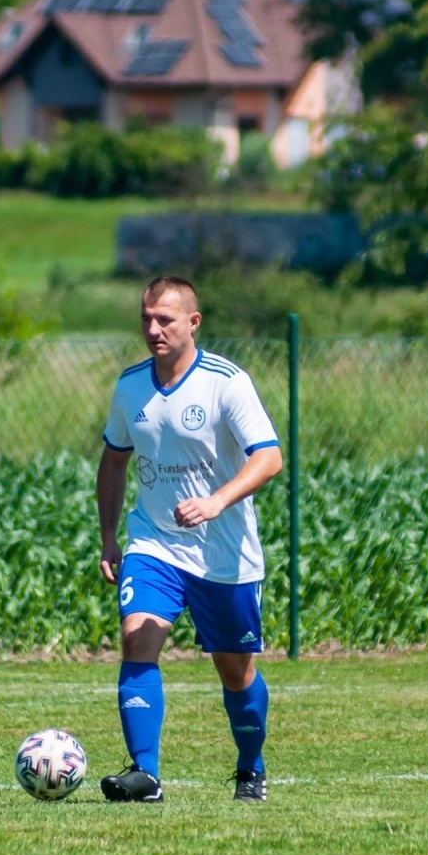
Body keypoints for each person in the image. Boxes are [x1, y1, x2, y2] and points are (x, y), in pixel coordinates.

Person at [96, 276, 282, 803]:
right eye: (146, 319)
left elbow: (269, 458)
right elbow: (113, 460)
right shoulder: (131, 387)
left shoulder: (226, 382)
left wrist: (217, 501)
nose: (153, 329)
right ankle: (145, 774)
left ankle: (251, 765)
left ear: (193, 323)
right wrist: (110, 538)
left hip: (223, 553)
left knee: (235, 668)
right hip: (154, 542)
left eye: (165, 320)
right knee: (137, 636)